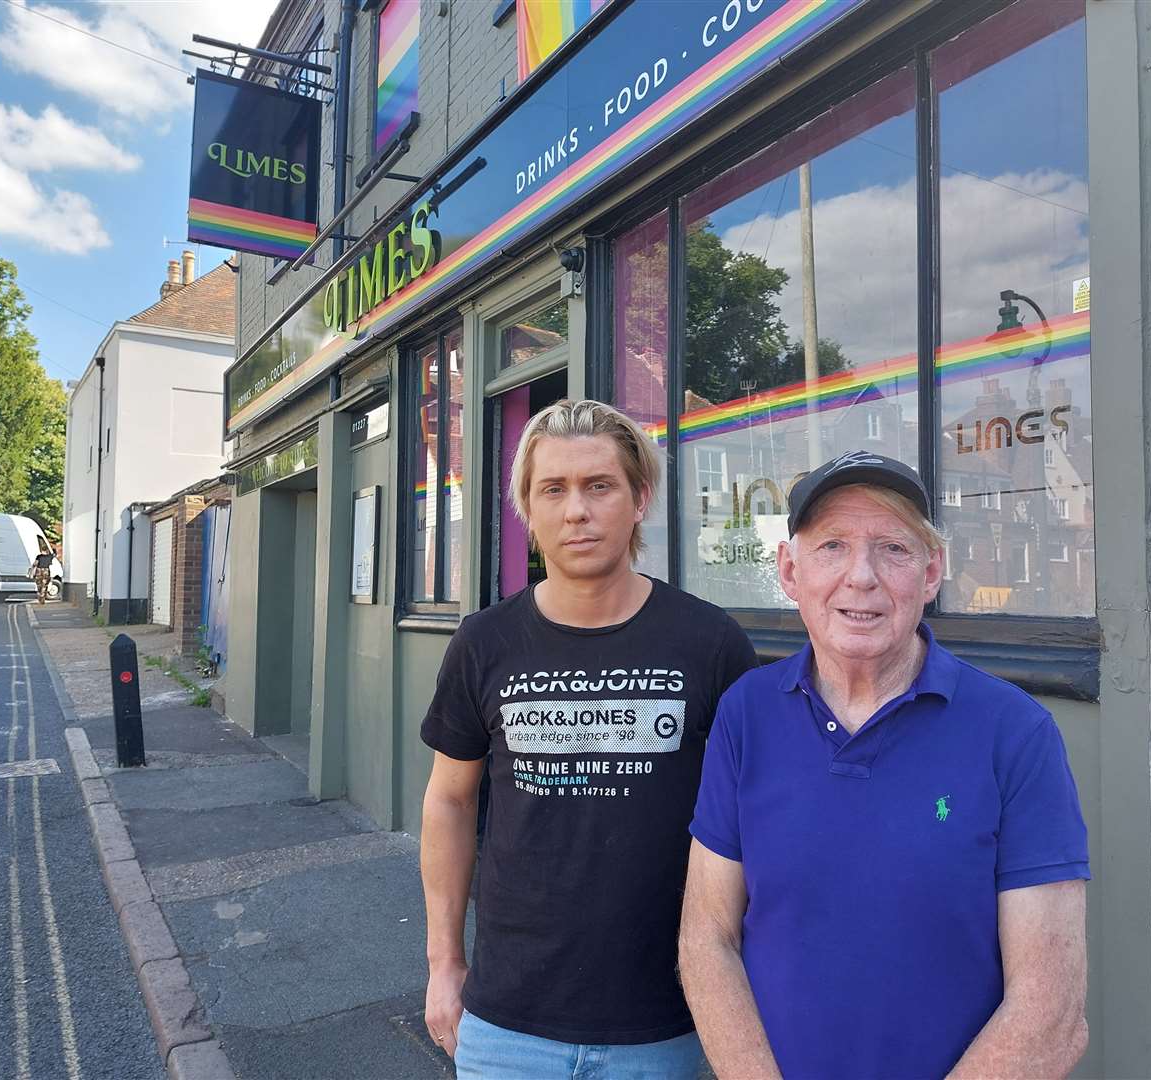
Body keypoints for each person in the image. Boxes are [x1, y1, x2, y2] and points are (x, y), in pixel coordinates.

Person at [680, 450, 1090, 1079]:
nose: (861, 576)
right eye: (833, 546)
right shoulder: (747, 715)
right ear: (790, 571)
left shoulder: (1014, 732)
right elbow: (707, 939)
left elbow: (1052, 1011)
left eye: (893, 549)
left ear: (931, 573)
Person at [420, 400, 758, 1078]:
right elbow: (450, 803)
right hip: (509, 1020)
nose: (577, 510)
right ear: (528, 509)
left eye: (599, 485)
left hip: (668, 1021)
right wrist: (444, 963)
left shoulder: (710, 643)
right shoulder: (484, 643)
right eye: (555, 488)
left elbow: (754, 820)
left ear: (639, 499)